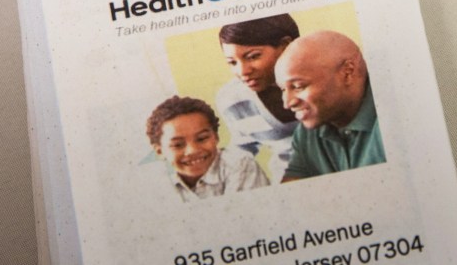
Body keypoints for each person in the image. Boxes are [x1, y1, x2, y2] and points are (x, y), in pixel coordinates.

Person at [273, 30, 385, 180]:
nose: (287, 103)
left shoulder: (392, 114)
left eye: (298, 86)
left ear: (347, 72)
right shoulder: (307, 132)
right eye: (283, 89)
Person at [216, 14, 300, 182]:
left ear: (286, 46)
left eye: (253, 56)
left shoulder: (324, 80)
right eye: (232, 63)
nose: (243, 72)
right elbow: (241, 150)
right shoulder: (232, 99)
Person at [146, 95, 268, 200]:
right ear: (160, 151)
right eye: (178, 145)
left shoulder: (240, 164)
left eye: (202, 138)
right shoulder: (156, 184)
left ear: (216, 137)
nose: (192, 150)